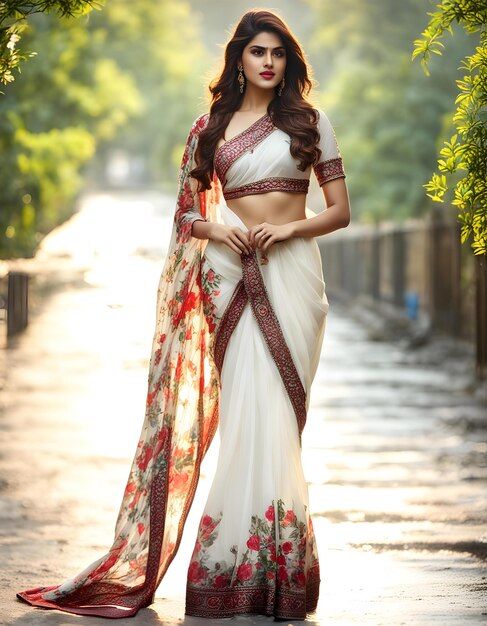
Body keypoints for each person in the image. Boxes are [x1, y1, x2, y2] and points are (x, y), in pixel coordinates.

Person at [16, 8, 350, 621]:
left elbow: (340, 212)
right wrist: (221, 232)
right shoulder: (211, 127)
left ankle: (278, 568)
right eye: (258, 52)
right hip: (229, 276)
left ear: (289, 60)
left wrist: (290, 229)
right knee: (249, 414)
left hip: (295, 274)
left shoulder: (310, 122)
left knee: (280, 416)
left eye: (278, 52)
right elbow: (185, 217)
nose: (269, 62)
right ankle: (230, 565)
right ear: (239, 59)